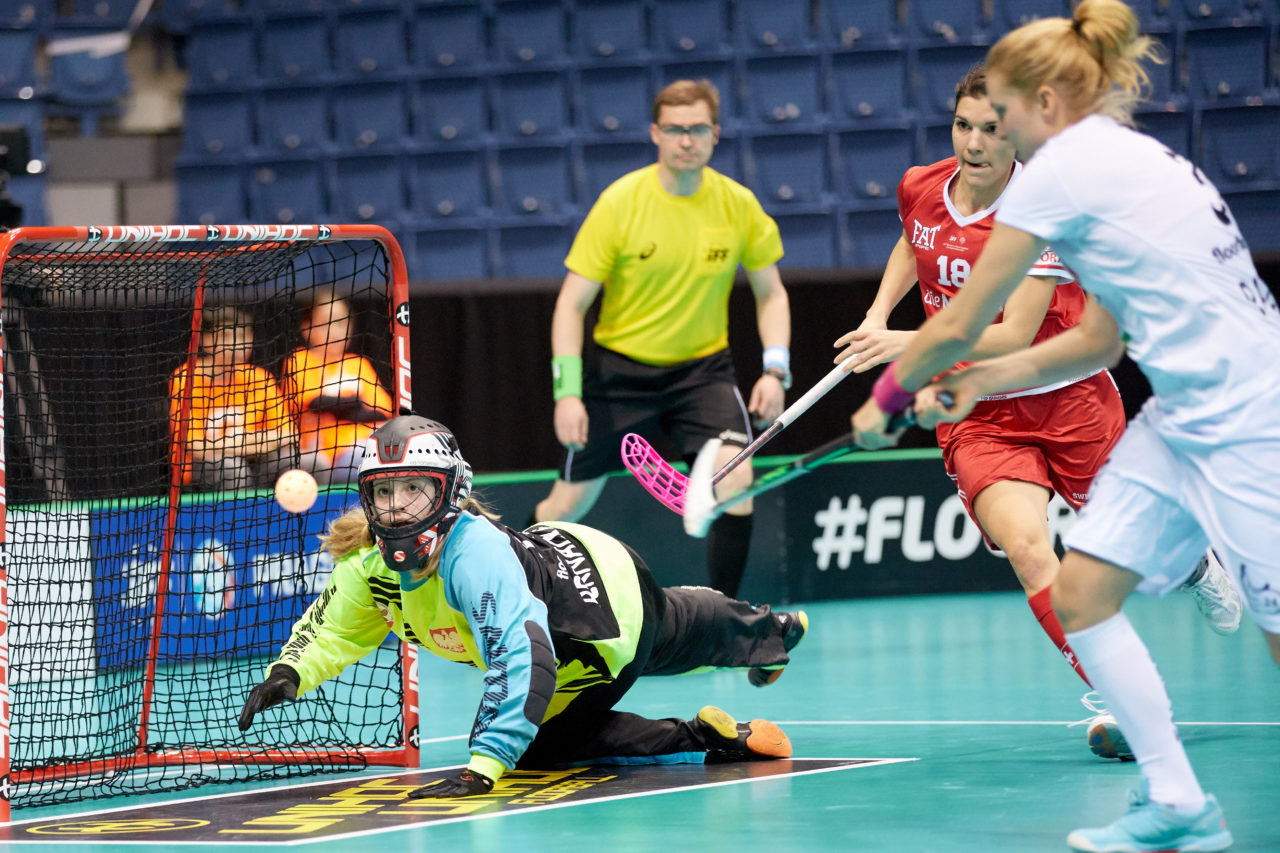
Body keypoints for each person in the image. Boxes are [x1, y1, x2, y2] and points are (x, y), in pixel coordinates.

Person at [850, 1, 1277, 849]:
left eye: (1000, 112)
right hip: (1181, 409)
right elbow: (1098, 339)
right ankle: (1180, 800)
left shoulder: (1060, 174)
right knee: (1078, 594)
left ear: (1044, 104)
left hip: (1250, 416)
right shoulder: (1126, 159)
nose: (985, 135)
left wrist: (888, 399)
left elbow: (965, 319)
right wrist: (977, 386)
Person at [237, 415, 809, 796]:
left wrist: (485, 766)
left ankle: (706, 736)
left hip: (591, 628)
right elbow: (335, 629)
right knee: (669, 623)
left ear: (450, 492)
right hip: (586, 554)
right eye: (383, 492)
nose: (398, 508)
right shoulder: (367, 566)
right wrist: (289, 672)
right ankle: (773, 631)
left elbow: (524, 656)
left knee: (539, 749)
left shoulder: (473, 555)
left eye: (415, 489)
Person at [531, 78, 792, 600]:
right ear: (656, 133)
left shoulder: (738, 205)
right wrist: (567, 392)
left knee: (736, 481)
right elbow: (571, 304)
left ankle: (723, 618)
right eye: (674, 129)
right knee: (565, 506)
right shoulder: (621, 203)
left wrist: (775, 368)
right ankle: (523, 591)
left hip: (702, 373)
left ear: (715, 134)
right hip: (619, 372)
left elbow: (772, 294)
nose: (686, 140)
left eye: (697, 128)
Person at [168, 305, 298, 491]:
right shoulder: (186, 379)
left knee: (305, 460)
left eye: (243, 336)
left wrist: (236, 445)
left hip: (256, 463)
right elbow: (195, 447)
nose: (237, 345)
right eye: (226, 337)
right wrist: (253, 442)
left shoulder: (259, 377)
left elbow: (290, 434)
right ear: (206, 340)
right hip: (204, 469)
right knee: (234, 469)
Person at [280, 290, 394, 485]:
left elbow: (384, 410)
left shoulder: (358, 364)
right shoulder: (298, 360)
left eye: (341, 323)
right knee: (373, 460)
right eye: (326, 323)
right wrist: (356, 404)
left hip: (365, 442)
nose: (335, 330)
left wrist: (341, 408)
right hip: (326, 454)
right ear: (307, 328)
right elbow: (313, 402)